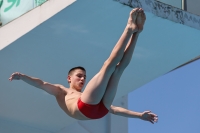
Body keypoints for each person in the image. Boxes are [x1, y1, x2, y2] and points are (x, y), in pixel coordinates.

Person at [9, 8, 158, 124]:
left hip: (100, 109)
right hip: (87, 108)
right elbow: (41, 84)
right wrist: (23, 77)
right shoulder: (61, 91)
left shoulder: (84, 94)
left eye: (84, 77)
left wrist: (139, 115)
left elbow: (115, 110)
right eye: (79, 76)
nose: (83, 79)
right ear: (69, 78)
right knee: (108, 66)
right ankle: (128, 28)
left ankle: (137, 32)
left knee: (119, 69)